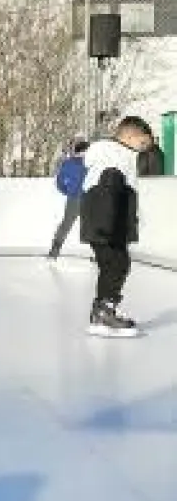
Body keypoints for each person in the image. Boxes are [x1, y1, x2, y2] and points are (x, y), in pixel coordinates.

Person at [80, 116, 154, 338]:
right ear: (130, 136)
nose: (143, 150)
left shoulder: (110, 156)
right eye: (142, 144)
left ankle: (101, 311)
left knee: (113, 266)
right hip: (106, 226)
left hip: (104, 224)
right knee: (118, 264)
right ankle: (103, 313)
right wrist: (108, 227)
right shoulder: (116, 159)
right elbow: (108, 192)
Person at [47, 140, 90, 261]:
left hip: (82, 198)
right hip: (82, 199)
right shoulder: (76, 163)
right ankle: (53, 253)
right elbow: (60, 182)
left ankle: (53, 253)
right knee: (70, 225)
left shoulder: (73, 163)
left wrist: (68, 191)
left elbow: (60, 183)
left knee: (68, 225)